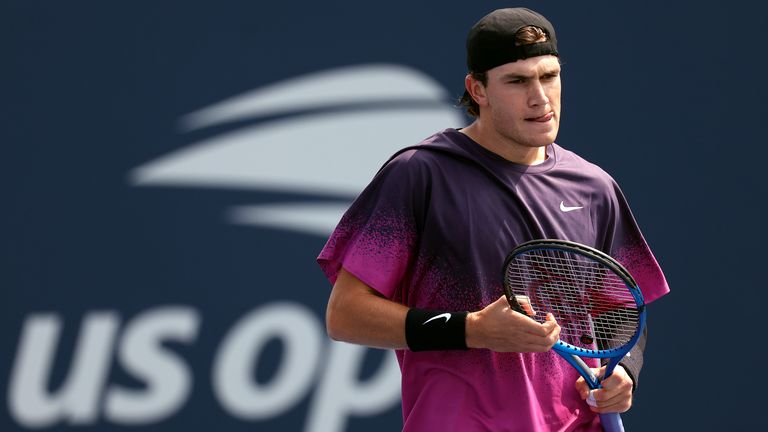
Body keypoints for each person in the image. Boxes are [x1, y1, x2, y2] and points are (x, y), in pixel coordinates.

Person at [317, 7, 669, 432]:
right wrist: (473, 329)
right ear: (477, 89)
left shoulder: (594, 188)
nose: (540, 97)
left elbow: (621, 308)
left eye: (549, 76)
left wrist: (624, 370)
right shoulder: (420, 174)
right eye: (517, 81)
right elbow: (346, 315)